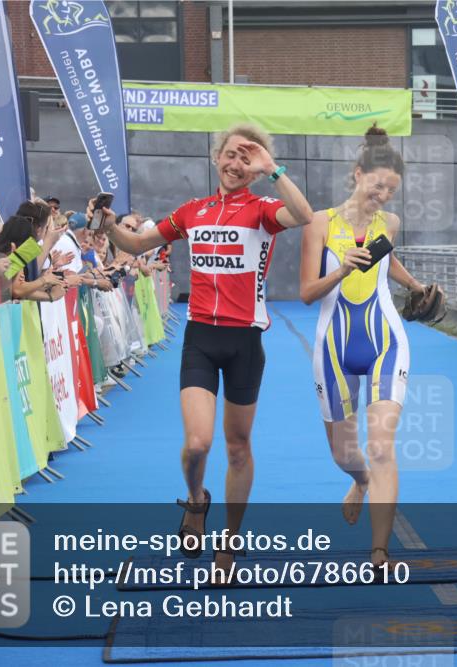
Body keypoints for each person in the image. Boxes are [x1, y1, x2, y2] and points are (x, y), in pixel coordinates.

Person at [90, 122, 313, 580]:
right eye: (231, 154)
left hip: (245, 341)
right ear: (216, 157)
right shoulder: (193, 211)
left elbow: (304, 214)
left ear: (256, 167)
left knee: (237, 447)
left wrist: (273, 169)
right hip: (201, 340)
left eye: (247, 158)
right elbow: (136, 243)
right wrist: (108, 225)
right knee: (197, 444)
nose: (237, 164)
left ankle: (229, 542)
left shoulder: (263, 210)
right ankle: (195, 501)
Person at [299, 125, 425, 567]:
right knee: (344, 454)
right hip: (333, 347)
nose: (384, 195)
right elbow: (306, 292)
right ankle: (361, 481)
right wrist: (341, 270)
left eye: (391, 190)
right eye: (378, 185)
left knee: (382, 445)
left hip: (385, 341)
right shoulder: (320, 222)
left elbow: (387, 261)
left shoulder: (388, 224)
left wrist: (417, 286)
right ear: (357, 174)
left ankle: (379, 551)